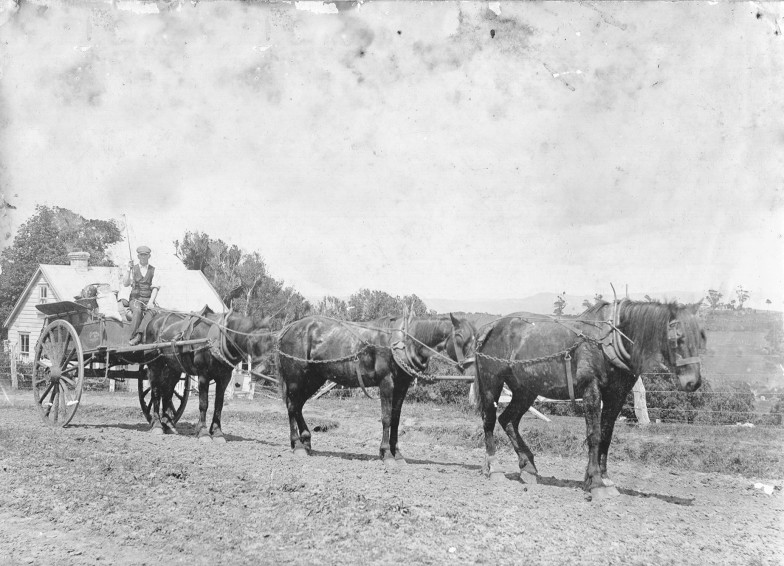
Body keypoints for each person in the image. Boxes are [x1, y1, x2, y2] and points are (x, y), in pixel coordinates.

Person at [124, 245, 160, 346]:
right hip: (135, 299)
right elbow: (125, 284)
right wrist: (128, 269)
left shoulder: (153, 270)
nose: (143, 257)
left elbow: (155, 288)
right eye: (141, 255)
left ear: (149, 256)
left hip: (148, 299)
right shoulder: (133, 269)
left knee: (154, 311)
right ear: (138, 256)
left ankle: (139, 335)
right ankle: (131, 337)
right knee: (137, 311)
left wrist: (151, 302)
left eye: (145, 255)